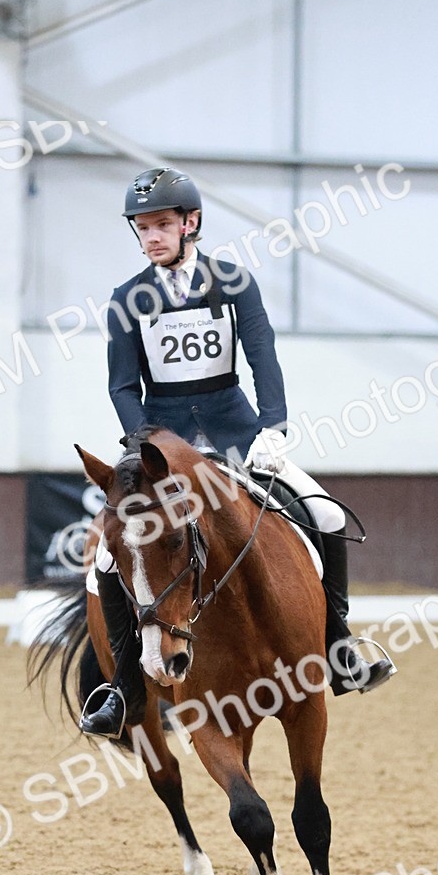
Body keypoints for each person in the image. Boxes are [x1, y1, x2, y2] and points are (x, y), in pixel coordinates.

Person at [81, 167, 396, 738]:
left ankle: (340, 646)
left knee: (323, 513)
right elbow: (122, 386)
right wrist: (141, 442)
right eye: (143, 227)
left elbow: (262, 356)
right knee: (108, 557)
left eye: (161, 225)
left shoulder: (232, 282)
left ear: (190, 223)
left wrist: (273, 427)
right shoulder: (126, 300)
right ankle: (124, 688)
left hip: (237, 429)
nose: (151, 237)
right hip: (164, 444)